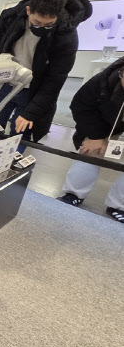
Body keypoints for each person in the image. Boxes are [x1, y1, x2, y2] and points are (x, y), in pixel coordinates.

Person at [0, 0, 79, 148]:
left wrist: (31, 112)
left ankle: (13, 162)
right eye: (37, 22)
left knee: (21, 131)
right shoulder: (9, 18)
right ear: (28, 11)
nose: (42, 27)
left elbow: (56, 78)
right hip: (3, 82)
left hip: (34, 89)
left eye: (49, 24)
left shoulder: (66, 34)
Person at [58, 57, 124, 223]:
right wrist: (95, 136)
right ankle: (73, 194)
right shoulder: (104, 80)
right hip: (106, 122)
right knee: (91, 150)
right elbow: (81, 106)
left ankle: (119, 205)